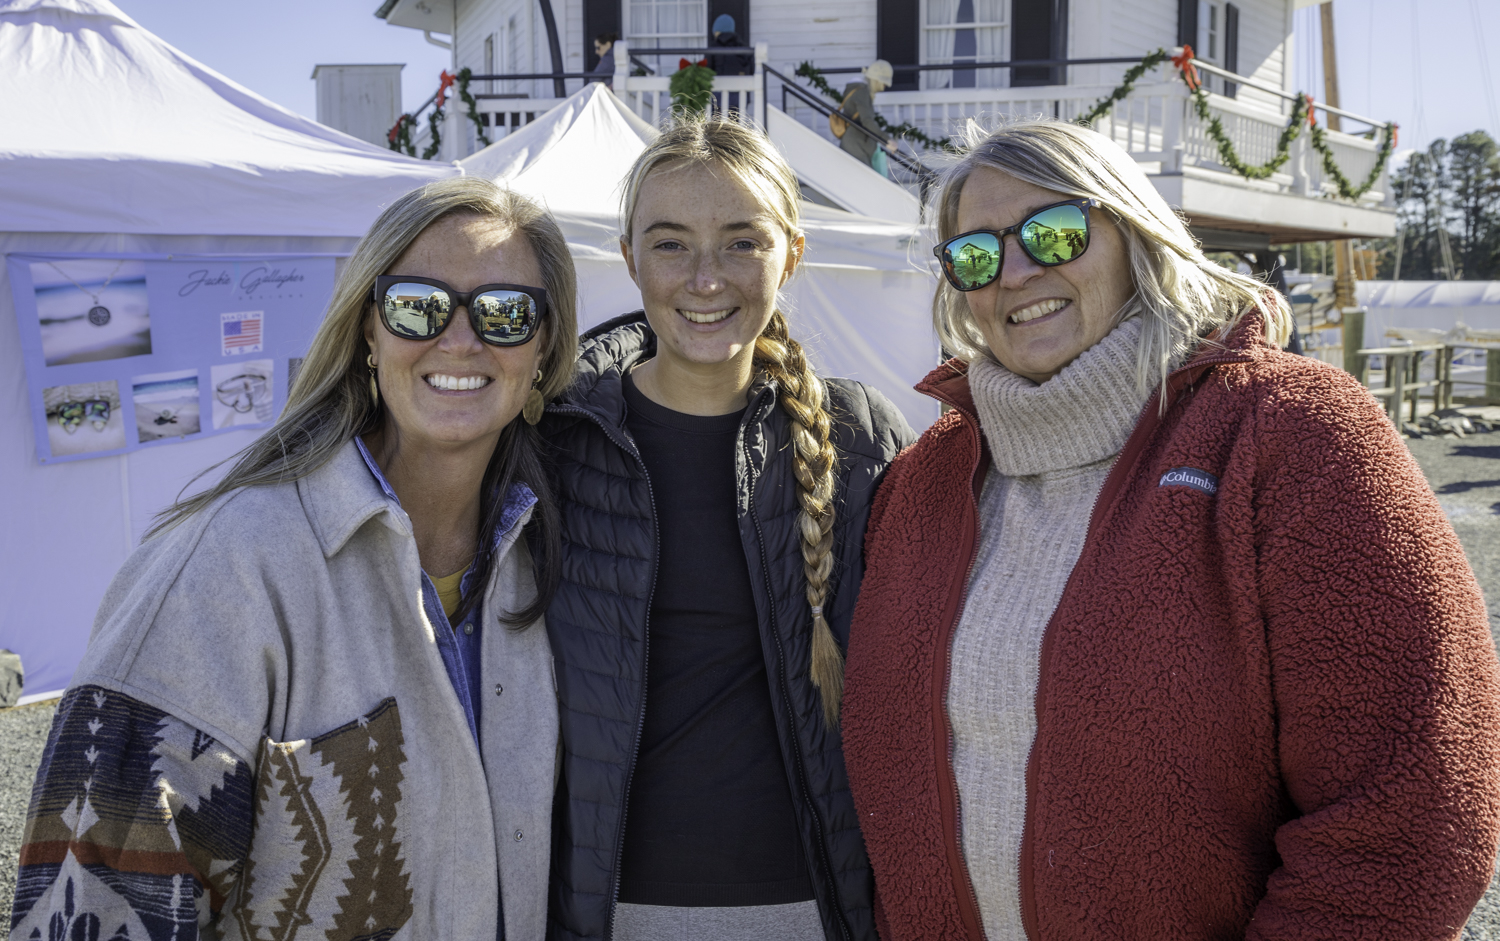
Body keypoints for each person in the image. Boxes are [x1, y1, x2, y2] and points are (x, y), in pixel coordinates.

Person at [840, 118, 1500, 940]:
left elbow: (1413, 812)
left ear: (1134, 233)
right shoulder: (925, 479)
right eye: (974, 254)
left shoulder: (1288, 432)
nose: (1013, 272)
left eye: (1053, 234)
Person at [10, 178, 578, 941]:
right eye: (419, 304)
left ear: (544, 346)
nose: (461, 339)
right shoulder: (223, 568)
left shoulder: (550, 557)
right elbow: (89, 909)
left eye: (505, 312)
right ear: (368, 331)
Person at [541, 116, 914, 941]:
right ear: (630, 258)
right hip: (609, 908)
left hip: (813, 906)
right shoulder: (555, 442)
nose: (705, 278)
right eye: (671, 244)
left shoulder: (861, 439)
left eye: (742, 241)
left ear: (793, 253)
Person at [835, 60, 896, 176]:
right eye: (884, 82)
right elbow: (867, 121)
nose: (885, 86)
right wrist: (886, 139)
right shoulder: (862, 92)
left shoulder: (860, 91)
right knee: (869, 184)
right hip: (856, 146)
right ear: (876, 79)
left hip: (857, 145)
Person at [707, 12, 753, 77]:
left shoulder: (713, 47)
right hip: (742, 85)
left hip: (719, 85)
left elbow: (707, 70)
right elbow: (751, 70)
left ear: (718, 31)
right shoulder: (743, 47)